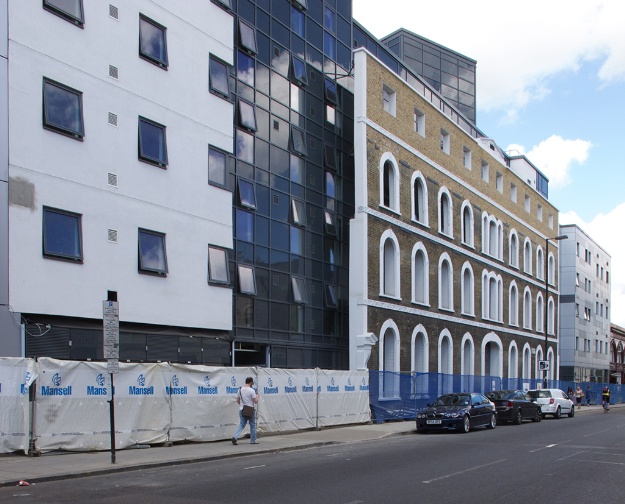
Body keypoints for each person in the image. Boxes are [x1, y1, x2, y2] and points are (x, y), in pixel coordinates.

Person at [232, 376, 260, 445]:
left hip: (242, 409)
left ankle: (235, 437)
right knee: (252, 425)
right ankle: (253, 440)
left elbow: (238, 400)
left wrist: (242, 405)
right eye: (252, 382)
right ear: (250, 382)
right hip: (250, 410)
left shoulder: (240, 389)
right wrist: (257, 396)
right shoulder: (252, 390)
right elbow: (255, 401)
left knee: (242, 425)